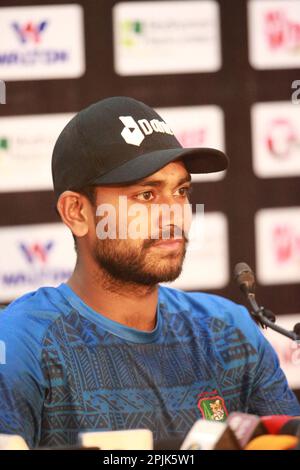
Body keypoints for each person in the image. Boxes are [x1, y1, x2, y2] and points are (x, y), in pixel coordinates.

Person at [0, 97, 299, 449]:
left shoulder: (230, 333)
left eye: (182, 191)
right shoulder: (22, 345)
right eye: (145, 194)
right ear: (77, 212)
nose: (175, 215)